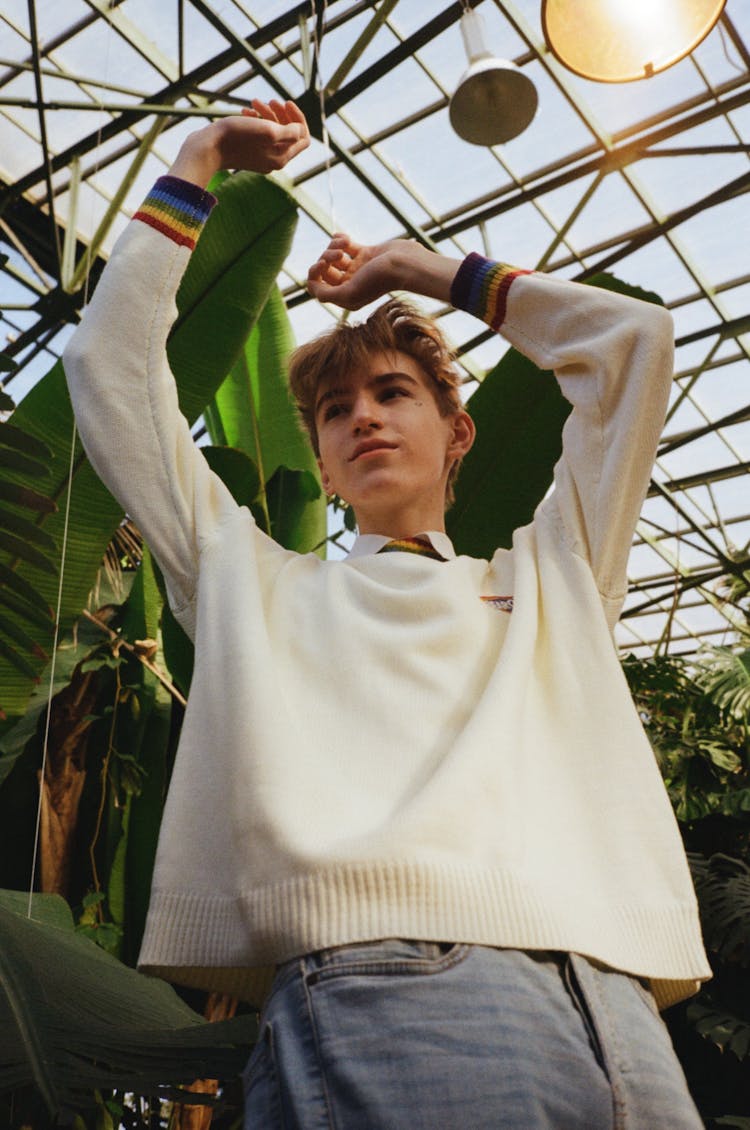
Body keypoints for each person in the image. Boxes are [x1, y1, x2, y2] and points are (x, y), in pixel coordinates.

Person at [63, 100, 711, 1129]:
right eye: (334, 408)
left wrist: (417, 268)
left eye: (394, 391)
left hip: (617, 1002)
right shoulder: (253, 583)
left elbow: (634, 342)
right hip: (396, 978)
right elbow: (110, 371)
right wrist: (199, 161)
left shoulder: (555, 574)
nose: (362, 412)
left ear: (459, 434)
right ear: (319, 460)